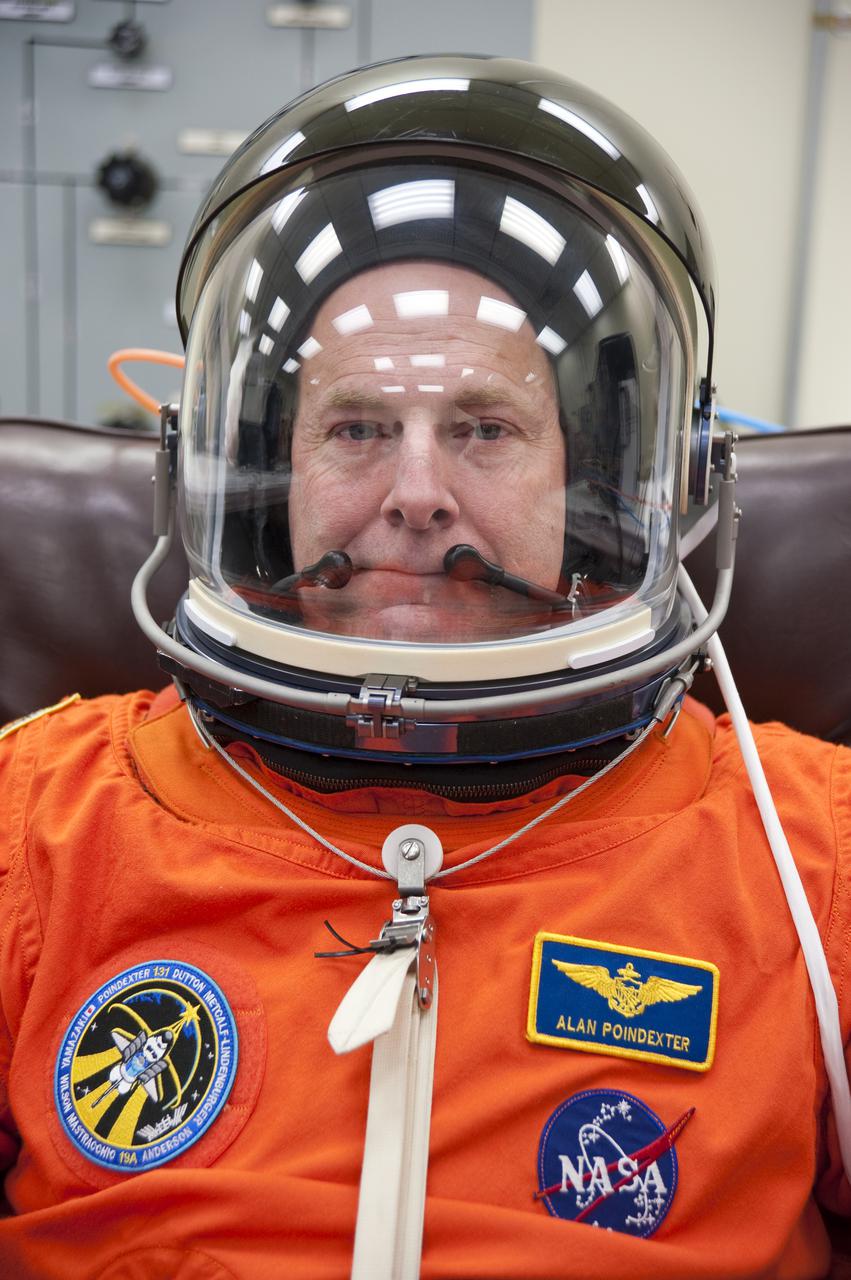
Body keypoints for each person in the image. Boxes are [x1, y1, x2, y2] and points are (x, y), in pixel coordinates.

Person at [1, 53, 849, 1280]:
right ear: (262, 477)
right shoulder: (40, 819)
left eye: (482, 429)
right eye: (355, 427)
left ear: (593, 484)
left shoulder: (808, 855)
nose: (413, 493)